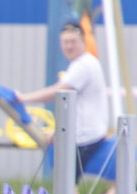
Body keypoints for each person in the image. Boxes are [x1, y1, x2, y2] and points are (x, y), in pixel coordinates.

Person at [17, 21, 109, 182]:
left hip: (85, 137)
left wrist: (23, 98)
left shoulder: (83, 65)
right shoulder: (81, 64)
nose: (69, 46)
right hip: (86, 133)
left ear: (83, 42)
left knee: (64, 178)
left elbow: (59, 92)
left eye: (73, 42)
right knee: (64, 176)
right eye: (65, 42)